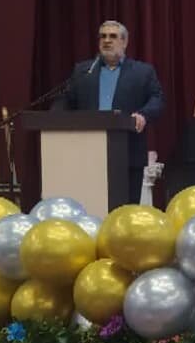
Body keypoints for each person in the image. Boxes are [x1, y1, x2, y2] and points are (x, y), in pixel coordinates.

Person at [52, 20, 165, 206]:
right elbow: (65, 100)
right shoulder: (84, 71)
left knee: (125, 211)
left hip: (128, 153)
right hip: (87, 153)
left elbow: (157, 99)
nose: (106, 40)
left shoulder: (142, 72)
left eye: (113, 36)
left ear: (124, 42)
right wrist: (54, 120)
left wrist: (143, 115)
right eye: (103, 36)